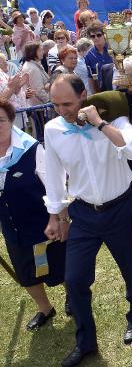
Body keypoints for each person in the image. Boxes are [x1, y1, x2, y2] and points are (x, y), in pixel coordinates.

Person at [44, 74, 132, 367]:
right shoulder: (53, 130)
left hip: (120, 209)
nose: (62, 110)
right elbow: (53, 174)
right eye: (56, 105)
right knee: (74, 279)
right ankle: (85, 342)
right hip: (84, 214)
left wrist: (100, 125)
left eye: (68, 103)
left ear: (83, 96)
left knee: (131, 270)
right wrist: (55, 214)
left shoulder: (113, 118)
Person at [0, 100, 69, 331]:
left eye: (0, 120)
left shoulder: (32, 149)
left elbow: (54, 186)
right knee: (26, 271)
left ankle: (73, 298)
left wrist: (58, 218)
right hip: (13, 228)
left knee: (61, 264)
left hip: (43, 223)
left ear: (11, 121)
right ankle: (45, 308)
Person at [83, 24, 113, 93]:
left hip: (116, 86)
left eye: (99, 35)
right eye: (93, 36)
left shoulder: (114, 49)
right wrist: (94, 95)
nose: (96, 38)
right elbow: (90, 77)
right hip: (101, 90)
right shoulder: (89, 55)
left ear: (104, 35)